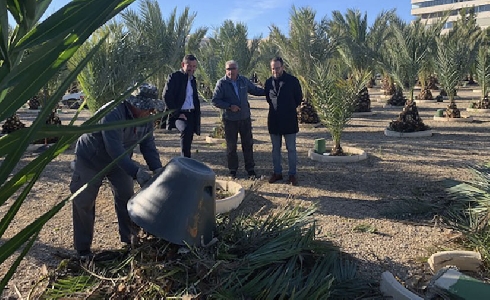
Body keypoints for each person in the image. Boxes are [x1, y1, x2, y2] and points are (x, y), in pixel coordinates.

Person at [70, 84, 164, 259]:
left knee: (127, 196)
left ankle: (130, 241)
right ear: (133, 102)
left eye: (151, 107)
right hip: (91, 158)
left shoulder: (146, 116)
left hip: (120, 161)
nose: (150, 111)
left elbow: (148, 145)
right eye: (146, 107)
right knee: (84, 200)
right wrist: (136, 172)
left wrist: (157, 169)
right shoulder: (113, 112)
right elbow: (114, 149)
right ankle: (83, 250)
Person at [212, 60, 265, 179]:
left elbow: (255, 90)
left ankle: (250, 169)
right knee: (231, 146)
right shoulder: (221, 83)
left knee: (248, 144)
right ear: (225, 70)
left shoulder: (243, 81)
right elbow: (215, 100)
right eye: (228, 69)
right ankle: (232, 170)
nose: (231, 71)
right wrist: (230, 107)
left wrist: (269, 91)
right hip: (230, 120)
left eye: (233, 68)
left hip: (245, 118)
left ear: (237, 69)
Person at [264, 57, 302, 186]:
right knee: (275, 149)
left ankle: (292, 174)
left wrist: (288, 108)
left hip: (289, 120)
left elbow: (298, 98)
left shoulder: (292, 81)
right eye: (273, 68)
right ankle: (277, 172)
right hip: (274, 121)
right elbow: (268, 99)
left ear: (283, 67)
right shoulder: (268, 82)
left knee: (291, 149)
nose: (275, 70)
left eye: (277, 68)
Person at [162, 54, 201, 158]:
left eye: (194, 66)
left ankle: (186, 160)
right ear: (183, 64)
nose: (192, 69)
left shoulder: (193, 80)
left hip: (191, 113)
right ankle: (185, 161)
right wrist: (177, 113)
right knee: (186, 130)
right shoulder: (174, 77)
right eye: (189, 66)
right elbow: (166, 96)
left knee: (189, 136)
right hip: (180, 114)